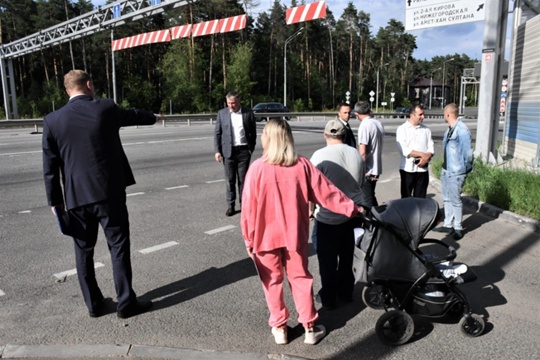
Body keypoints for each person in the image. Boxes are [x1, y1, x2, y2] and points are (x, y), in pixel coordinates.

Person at [42, 69, 161, 319]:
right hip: (109, 193)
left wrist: (56, 203)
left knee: (83, 252)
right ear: (89, 84)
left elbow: (50, 169)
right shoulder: (104, 108)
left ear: (67, 90)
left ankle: (94, 305)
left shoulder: (52, 120)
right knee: (118, 246)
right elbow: (132, 115)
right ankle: (126, 303)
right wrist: (153, 117)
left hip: (75, 198)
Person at [241, 119, 363, 345]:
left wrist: (248, 239)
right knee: (300, 279)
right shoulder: (302, 165)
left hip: (264, 237)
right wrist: (352, 208)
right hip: (293, 235)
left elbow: (248, 208)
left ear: (268, 138)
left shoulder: (257, 168)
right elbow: (327, 193)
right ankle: (309, 326)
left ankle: (280, 328)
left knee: (272, 282)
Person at [310, 120, 365, 310]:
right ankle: (346, 291)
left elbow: (312, 188)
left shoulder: (319, 155)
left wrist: (310, 210)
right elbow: (360, 182)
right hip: (353, 214)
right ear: (343, 136)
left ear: (325, 136)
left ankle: (329, 297)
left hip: (329, 217)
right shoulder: (356, 154)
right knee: (348, 256)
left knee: (327, 260)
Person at [433, 103, 473, 240]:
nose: (444, 116)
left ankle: (458, 227)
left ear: (448, 114)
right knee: (447, 198)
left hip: (456, 171)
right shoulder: (449, 129)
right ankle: (448, 224)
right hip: (447, 169)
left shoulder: (462, 130)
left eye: (444, 113)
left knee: (455, 200)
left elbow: (468, 153)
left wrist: (465, 169)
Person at [214, 91, 257, 216]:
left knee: (243, 181)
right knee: (230, 180)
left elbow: (253, 134)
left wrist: (250, 149)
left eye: (233, 103)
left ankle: (244, 205)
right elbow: (217, 133)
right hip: (228, 152)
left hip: (244, 151)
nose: (231, 105)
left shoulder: (248, 113)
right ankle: (230, 206)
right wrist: (217, 151)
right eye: (228, 103)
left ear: (239, 101)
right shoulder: (222, 114)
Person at [396, 104, 434, 198]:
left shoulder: (426, 130)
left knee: (420, 199)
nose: (423, 117)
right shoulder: (402, 129)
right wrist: (423, 155)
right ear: (412, 115)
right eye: (420, 114)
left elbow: (431, 147)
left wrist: (427, 157)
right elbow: (404, 150)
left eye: (423, 114)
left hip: (422, 170)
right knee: (406, 199)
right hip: (407, 169)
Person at [353, 100, 384, 208]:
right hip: (376, 168)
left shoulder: (364, 126)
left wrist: (362, 169)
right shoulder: (377, 123)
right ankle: (380, 219)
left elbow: (362, 151)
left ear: (357, 114)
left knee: (367, 201)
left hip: (368, 170)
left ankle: (372, 223)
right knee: (370, 196)